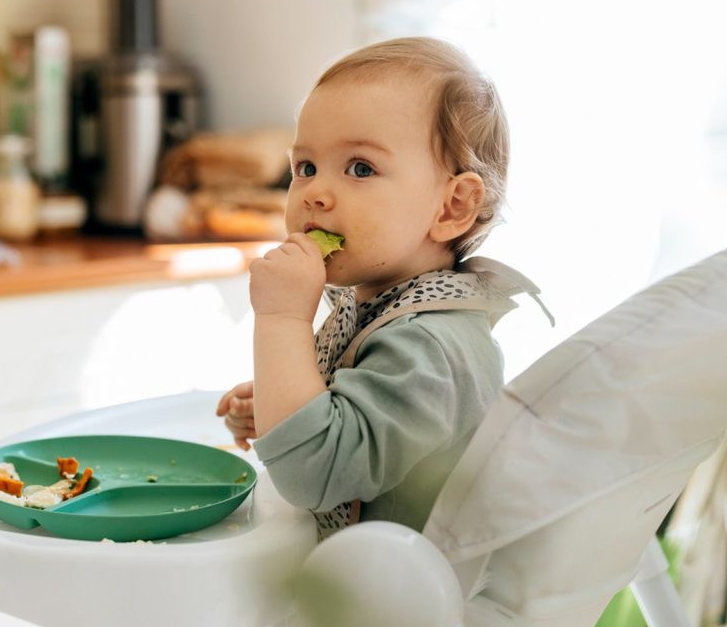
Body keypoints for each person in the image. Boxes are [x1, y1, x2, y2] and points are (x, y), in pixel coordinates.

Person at [216, 36, 553, 542]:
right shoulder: (385, 306)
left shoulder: (430, 347)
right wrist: (283, 403)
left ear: (452, 207)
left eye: (360, 168)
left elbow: (314, 476)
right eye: (304, 167)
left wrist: (281, 320)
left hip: (404, 610)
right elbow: (360, 435)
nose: (315, 194)